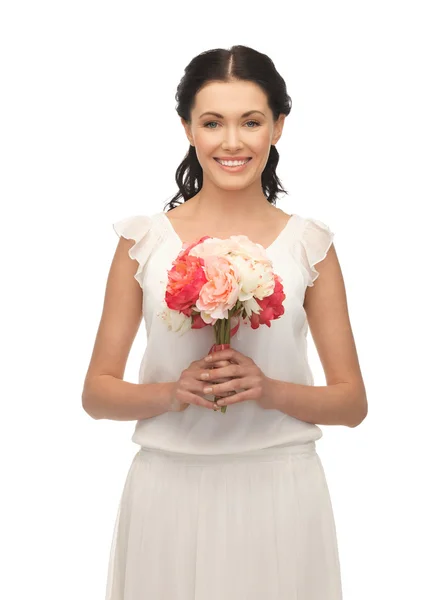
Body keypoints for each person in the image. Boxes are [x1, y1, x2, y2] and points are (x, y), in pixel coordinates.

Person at [82, 44, 367, 600]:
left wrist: (267, 388)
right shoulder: (143, 242)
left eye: (251, 121)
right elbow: (97, 393)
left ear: (278, 127)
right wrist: (173, 392)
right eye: (213, 122)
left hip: (280, 491)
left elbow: (352, 403)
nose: (232, 142)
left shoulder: (310, 245)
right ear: (188, 128)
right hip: (169, 490)